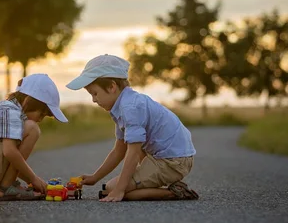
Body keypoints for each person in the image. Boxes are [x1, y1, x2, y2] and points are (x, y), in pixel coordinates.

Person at [66, 54, 198, 202]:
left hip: (173, 161)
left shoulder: (130, 107)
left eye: (95, 93)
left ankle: (174, 192)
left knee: (111, 189)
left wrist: (119, 190)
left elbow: (133, 153)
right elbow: (119, 150)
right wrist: (95, 177)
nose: (94, 100)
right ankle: (140, 184)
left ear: (111, 87)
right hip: (165, 157)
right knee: (112, 188)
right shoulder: (123, 105)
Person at [0, 73, 68, 201]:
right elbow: (9, 152)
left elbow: (11, 159)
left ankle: (4, 186)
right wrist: (33, 179)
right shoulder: (10, 110)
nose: (40, 119)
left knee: (23, 133)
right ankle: (5, 188)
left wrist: (32, 181)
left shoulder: (10, 110)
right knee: (32, 129)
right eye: (41, 114)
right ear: (28, 102)